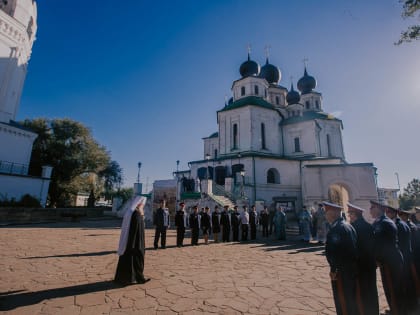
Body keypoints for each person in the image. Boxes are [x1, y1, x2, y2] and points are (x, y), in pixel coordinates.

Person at [324, 201, 359, 315]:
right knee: (350, 299)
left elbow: (336, 252)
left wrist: (334, 269)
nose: (325, 215)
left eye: (327, 212)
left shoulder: (336, 229)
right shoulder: (348, 225)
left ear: (333, 213)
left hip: (341, 271)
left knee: (342, 300)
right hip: (350, 269)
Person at [370, 200, 404, 315]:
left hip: (390, 261)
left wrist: (378, 259)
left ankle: (397, 311)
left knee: (392, 288)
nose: (370, 210)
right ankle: (394, 309)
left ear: (379, 209)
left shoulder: (384, 223)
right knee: (389, 287)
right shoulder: (379, 222)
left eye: (372, 207)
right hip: (386, 260)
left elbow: (381, 245)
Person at [347, 202, 379, 315]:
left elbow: (354, 249)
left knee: (361, 293)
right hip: (370, 265)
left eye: (350, 213)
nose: (349, 216)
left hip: (360, 266)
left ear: (354, 214)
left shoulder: (354, 228)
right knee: (371, 290)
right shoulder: (368, 226)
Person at [386, 205, 417, 313]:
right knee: (406, 284)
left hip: (405, 259)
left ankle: (406, 308)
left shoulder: (401, 226)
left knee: (405, 285)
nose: (387, 214)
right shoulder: (401, 225)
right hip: (406, 258)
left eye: (389, 212)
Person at [115, 196, 150, 285]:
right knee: (137, 259)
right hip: (136, 243)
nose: (143, 206)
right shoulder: (136, 214)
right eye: (142, 204)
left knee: (127, 260)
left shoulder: (132, 213)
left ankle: (124, 278)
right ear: (139, 204)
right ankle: (139, 278)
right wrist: (135, 244)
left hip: (129, 242)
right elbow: (136, 231)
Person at [399, 208, 420, 312]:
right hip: (414, 257)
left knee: (414, 279)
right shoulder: (412, 225)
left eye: (417, 213)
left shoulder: (410, 226)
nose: (416, 215)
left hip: (415, 257)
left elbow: (414, 244)